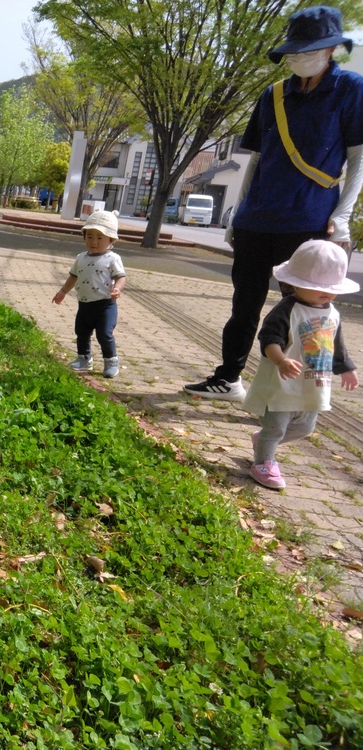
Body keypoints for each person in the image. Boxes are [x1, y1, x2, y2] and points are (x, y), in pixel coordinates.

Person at [185, 6, 363, 401]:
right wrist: (238, 211)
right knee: (243, 306)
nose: (300, 57)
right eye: (295, 51)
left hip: (310, 221)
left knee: (306, 315)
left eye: (309, 49)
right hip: (257, 220)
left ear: (332, 48)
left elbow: (358, 157)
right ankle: (229, 378)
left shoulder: (351, 89)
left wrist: (343, 213)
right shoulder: (274, 95)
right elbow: (258, 159)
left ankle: (292, 395)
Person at [242, 240, 358, 490]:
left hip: (313, 384)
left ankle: (263, 442)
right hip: (283, 384)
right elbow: (269, 339)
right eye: (316, 287)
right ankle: (263, 462)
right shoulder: (287, 310)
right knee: (275, 428)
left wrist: (347, 367)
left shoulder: (332, 313)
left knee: (305, 427)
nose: (325, 292)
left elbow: (335, 344)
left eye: (331, 287)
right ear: (293, 283)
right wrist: (281, 360)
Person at [51, 210, 126, 378]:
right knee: (81, 332)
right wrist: (62, 291)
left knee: (104, 333)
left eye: (100, 238)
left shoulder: (112, 258)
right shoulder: (81, 258)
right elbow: (73, 276)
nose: (94, 241)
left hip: (105, 305)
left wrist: (118, 289)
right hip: (84, 304)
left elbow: (121, 277)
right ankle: (84, 358)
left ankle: (111, 360)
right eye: (89, 236)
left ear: (111, 240)